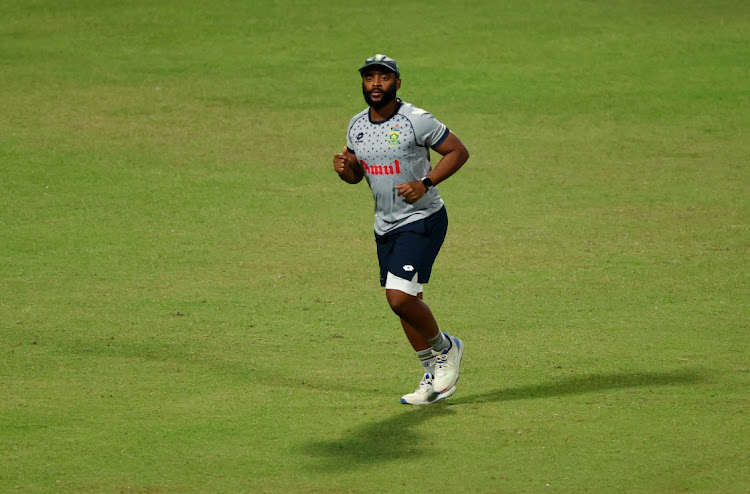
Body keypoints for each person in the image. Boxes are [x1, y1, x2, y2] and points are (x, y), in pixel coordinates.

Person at [332, 54, 470, 405]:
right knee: (406, 303)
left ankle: (446, 349)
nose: (375, 83)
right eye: (369, 78)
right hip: (385, 226)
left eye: (383, 77)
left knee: (399, 297)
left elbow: (457, 151)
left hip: (422, 219)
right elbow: (356, 175)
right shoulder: (356, 126)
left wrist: (426, 182)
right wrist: (344, 169)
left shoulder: (416, 121)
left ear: (397, 83)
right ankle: (432, 374)